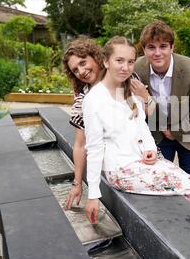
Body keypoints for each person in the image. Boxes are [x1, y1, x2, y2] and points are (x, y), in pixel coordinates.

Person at [83, 36, 190, 224]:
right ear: (105, 61)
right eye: (119, 60)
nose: (125, 67)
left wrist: (150, 149)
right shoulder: (94, 100)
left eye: (130, 62)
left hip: (142, 161)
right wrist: (93, 195)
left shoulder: (129, 92)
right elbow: (93, 148)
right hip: (121, 169)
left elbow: (141, 125)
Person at [63, 36, 152, 210]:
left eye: (83, 63)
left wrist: (146, 97)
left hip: (144, 150)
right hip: (121, 164)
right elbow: (81, 145)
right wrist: (77, 184)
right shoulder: (84, 101)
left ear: (98, 58)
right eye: (75, 70)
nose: (81, 71)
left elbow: (147, 116)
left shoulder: (124, 76)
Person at [134, 20, 190, 180]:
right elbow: (130, 105)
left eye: (163, 46)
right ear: (144, 49)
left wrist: (175, 130)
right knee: (158, 179)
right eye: (151, 47)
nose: (157, 53)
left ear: (172, 47)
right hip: (156, 132)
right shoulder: (136, 69)